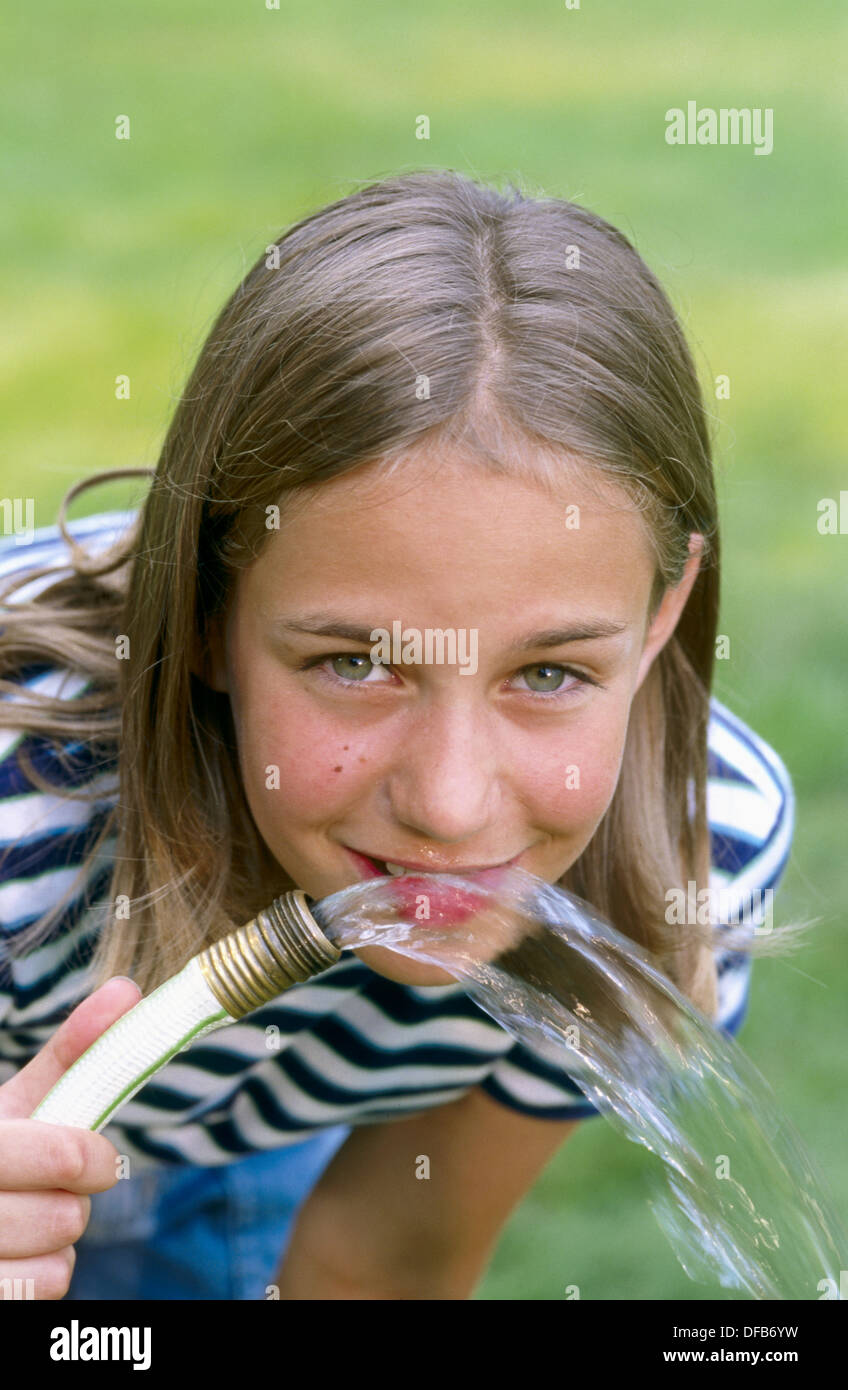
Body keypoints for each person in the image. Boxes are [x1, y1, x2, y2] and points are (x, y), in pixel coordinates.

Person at [0, 170, 794, 1301]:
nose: (450, 807)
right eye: (356, 664)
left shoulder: (696, 849)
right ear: (208, 612)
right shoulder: (21, 812)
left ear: (663, 612)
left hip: (267, 1114)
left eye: (549, 673)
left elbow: (378, 1268)